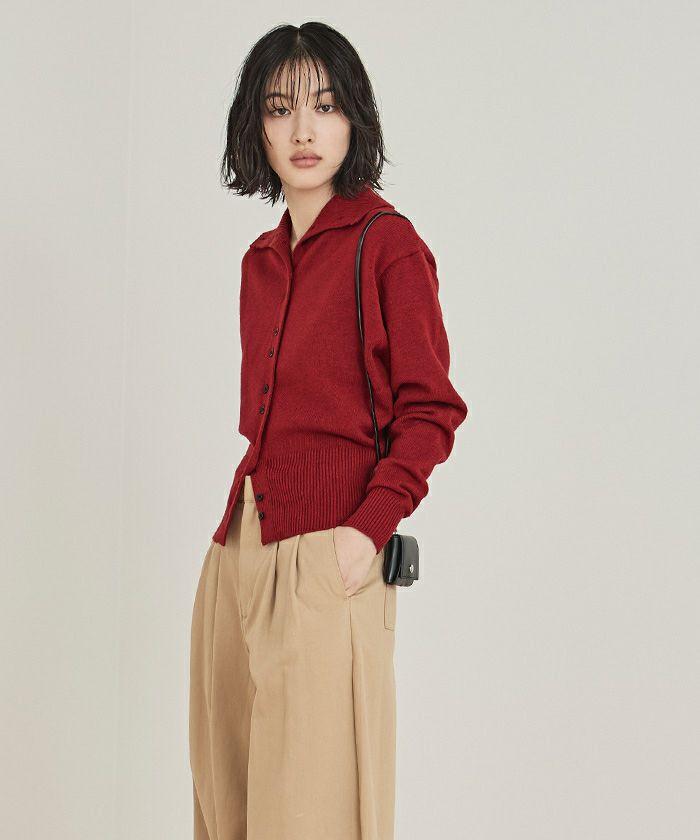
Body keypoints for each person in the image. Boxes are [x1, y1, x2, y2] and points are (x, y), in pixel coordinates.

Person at [189, 20, 469, 840]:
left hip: (329, 556)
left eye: (325, 105)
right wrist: (238, 550)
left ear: (354, 117)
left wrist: (365, 530)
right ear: (257, 128)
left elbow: (431, 410)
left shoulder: (389, 246)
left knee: (314, 813)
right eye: (280, 110)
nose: (303, 131)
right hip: (237, 548)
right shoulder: (260, 261)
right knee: (227, 804)